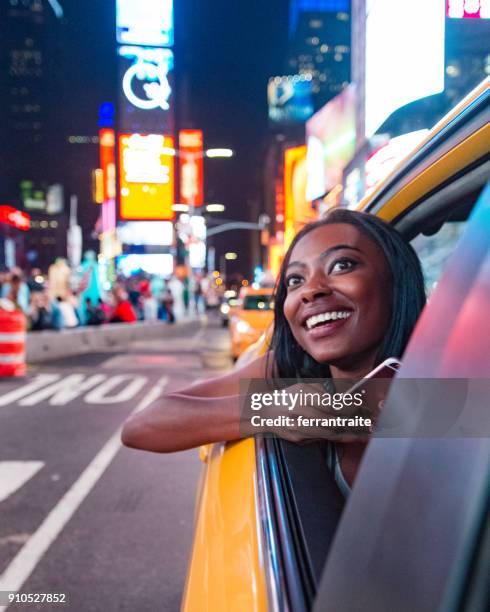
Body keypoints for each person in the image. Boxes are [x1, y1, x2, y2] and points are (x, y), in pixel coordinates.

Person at [121, 210, 426, 491]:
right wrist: (272, 411)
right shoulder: (289, 367)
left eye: (342, 265)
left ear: (395, 281)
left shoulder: (442, 392)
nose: (311, 290)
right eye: (295, 280)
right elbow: (141, 425)